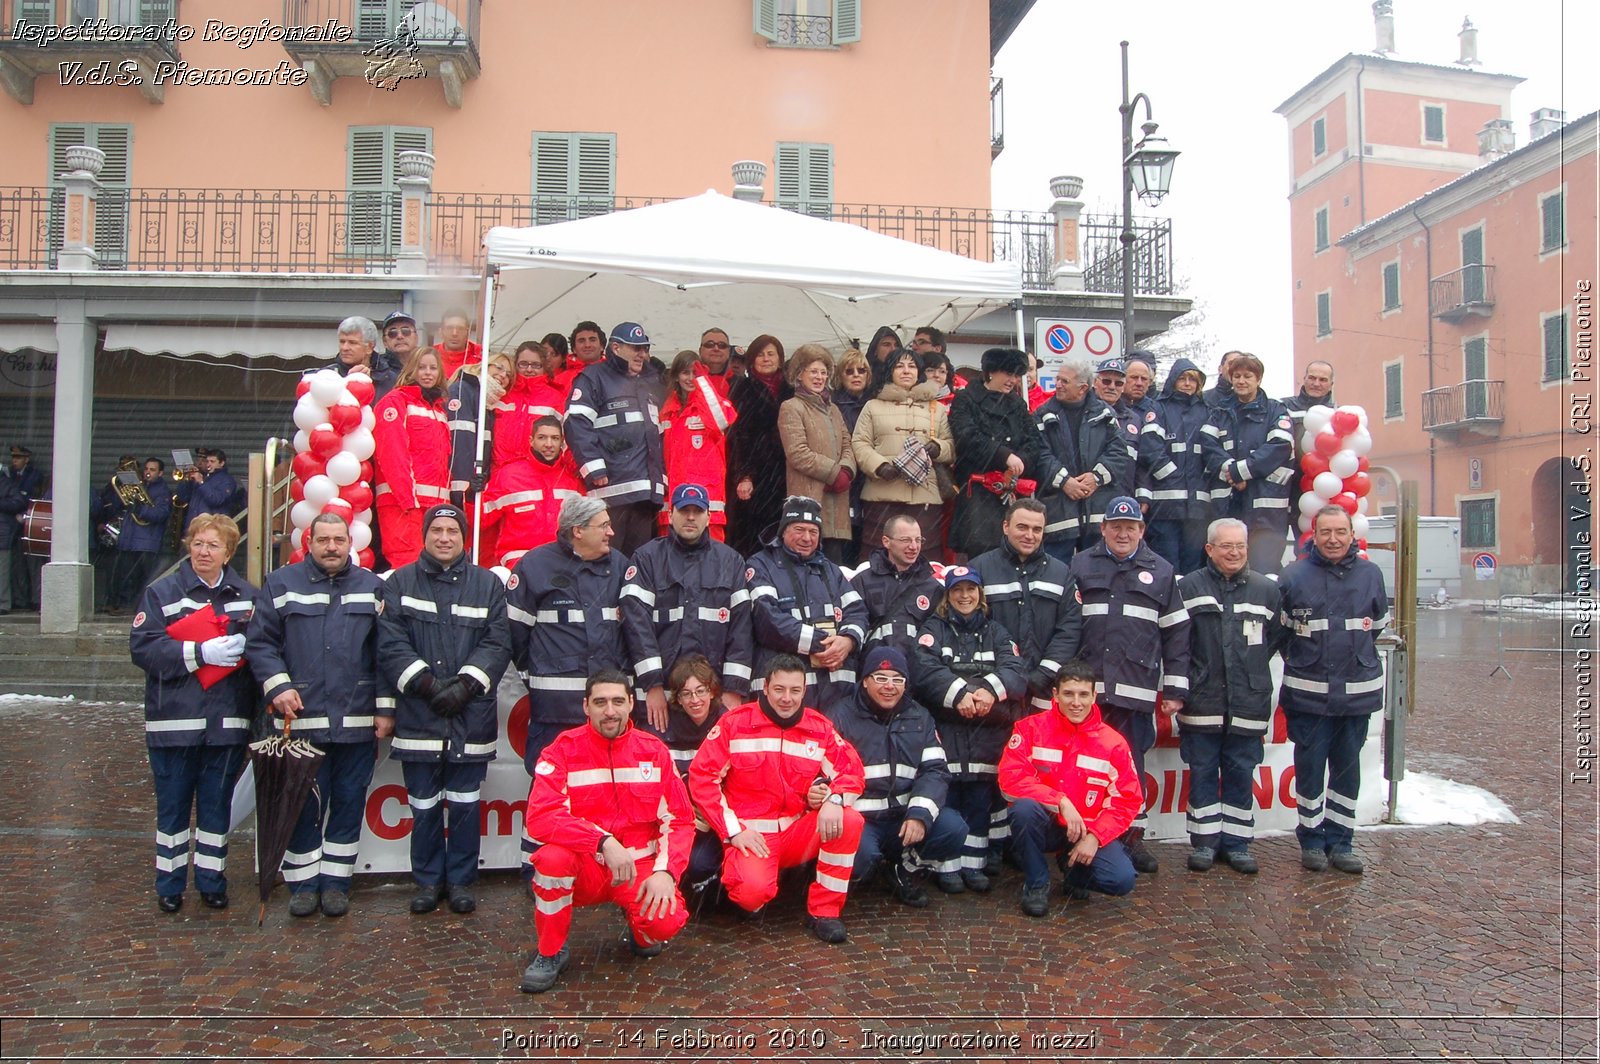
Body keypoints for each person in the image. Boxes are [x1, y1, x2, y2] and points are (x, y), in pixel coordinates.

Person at [245, 513, 391, 917]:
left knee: (347, 804)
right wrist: (277, 684)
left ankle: (336, 883)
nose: (331, 547)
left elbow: (385, 654)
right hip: (301, 720)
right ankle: (303, 884)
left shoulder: (373, 588)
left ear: (351, 543)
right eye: (323, 539)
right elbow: (260, 644)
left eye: (338, 539)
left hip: (356, 721)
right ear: (309, 542)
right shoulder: (281, 584)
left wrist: (384, 707)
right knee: (301, 806)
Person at [520, 669, 694, 994]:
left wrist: (666, 873)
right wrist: (601, 840)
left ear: (631, 703)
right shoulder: (562, 750)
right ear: (586, 707)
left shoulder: (652, 751)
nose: (610, 710)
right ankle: (550, 951)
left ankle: (641, 930)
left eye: (617, 701)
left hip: (638, 866)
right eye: (600, 702)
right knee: (550, 859)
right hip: (586, 866)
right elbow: (541, 817)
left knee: (664, 924)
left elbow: (680, 820)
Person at [377, 503, 512, 915]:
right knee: (423, 804)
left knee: (466, 804)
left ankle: (461, 882)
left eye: (452, 531)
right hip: (421, 712)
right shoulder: (398, 583)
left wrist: (467, 684)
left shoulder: (487, 584)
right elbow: (390, 642)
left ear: (463, 537)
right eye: (436, 530)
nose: (445, 538)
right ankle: (428, 881)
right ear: (424, 535)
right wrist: (428, 684)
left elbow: (498, 641)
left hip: (469, 714)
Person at [687, 654, 867, 943]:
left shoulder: (818, 728)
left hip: (796, 831)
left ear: (804, 691)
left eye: (795, 690)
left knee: (849, 819)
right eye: (779, 689)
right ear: (766, 688)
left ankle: (824, 911)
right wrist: (733, 832)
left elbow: (853, 771)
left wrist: (834, 798)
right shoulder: (735, 724)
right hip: (752, 835)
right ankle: (752, 887)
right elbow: (702, 778)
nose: (787, 698)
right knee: (750, 895)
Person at [129, 513, 257, 913]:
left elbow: (263, 652)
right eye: (198, 543)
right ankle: (169, 883)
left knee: (217, 809)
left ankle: (211, 880)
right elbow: (143, 649)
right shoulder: (162, 592)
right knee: (172, 808)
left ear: (228, 552)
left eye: (213, 545)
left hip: (226, 724)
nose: (204, 552)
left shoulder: (249, 596)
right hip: (174, 722)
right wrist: (198, 653)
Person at [1069, 496, 1191, 875]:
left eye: (1131, 527)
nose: (1123, 533)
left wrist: (1174, 689)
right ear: (1103, 528)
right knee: (1082, 765)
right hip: (1087, 693)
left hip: (1134, 691)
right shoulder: (1079, 565)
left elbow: (1177, 632)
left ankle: (1130, 838)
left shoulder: (1163, 570)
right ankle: (1078, 835)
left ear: (1142, 530)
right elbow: (1067, 625)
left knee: (1129, 769)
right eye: (1116, 526)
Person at [1279, 505, 1388, 875]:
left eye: (1340, 531)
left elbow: (1377, 626)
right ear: (1314, 533)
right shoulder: (1293, 576)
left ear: (1351, 533)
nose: (1333, 539)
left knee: (1347, 771)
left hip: (1357, 695)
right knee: (1309, 771)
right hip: (1308, 697)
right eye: (1325, 532)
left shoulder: (1371, 574)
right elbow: (1281, 633)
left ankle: (1342, 842)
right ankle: (1311, 840)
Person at [1176, 517, 1287, 875]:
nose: (1235, 552)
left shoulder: (1266, 590)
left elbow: (1274, 638)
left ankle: (1238, 844)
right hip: (1202, 700)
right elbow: (1179, 643)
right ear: (1209, 549)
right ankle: (1205, 843)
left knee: (1241, 771)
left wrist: (1249, 671)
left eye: (1240, 545)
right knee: (1204, 771)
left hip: (1248, 701)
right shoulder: (1188, 588)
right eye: (1226, 546)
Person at [912, 565, 1028, 893]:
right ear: (947, 596)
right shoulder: (933, 629)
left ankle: (974, 864)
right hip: (947, 733)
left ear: (980, 594)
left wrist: (989, 691)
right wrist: (960, 693)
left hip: (985, 736)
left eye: (971, 590)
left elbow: (1016, 670)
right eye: (958, 590)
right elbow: (924, 670)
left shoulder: (997, 632)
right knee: (947, 798)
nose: (965, 596)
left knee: (978, 799)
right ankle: (947, 866)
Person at [827, 647, 966, 908]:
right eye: (880, 678)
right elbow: (825, 772)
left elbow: (935, 769)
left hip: (903, 817)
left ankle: (903, 871)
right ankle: (866, 870)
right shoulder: (840, 716)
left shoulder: (920, 716)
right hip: (860, 819)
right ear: (865, 681)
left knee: (953, 827)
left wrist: (919, 815)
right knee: (861, 860)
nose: (889, 686)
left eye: (897, 679)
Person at [1000, 662, 1140, 917]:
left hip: (1087, 830)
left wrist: (1095, 838)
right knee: (1023, 809)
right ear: (1055, 695)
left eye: (1083, 694)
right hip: (1047, 823)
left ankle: (1074, 871)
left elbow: (1127, 801)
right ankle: (1036, 883)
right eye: (1068, 694)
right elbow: (1011, 779)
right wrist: (1060, 801)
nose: (1076, 702)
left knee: (1121, 880)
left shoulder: (1113, 743)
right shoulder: (1029, 728)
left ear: (1094, 696)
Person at [506, 496, 629, 779]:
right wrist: (537, 674)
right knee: (549, 790)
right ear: (578, 531)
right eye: (604, 526)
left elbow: (633, 631)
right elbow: (513, 634)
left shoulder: (620, 566)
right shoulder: (534, 566)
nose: (611, 532)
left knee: (601, 789)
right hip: (554, 712)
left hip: (605, 713)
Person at [622, 482, 754, 732]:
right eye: (684, 511)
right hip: (661, 697)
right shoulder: (647, 559)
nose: (690, 517)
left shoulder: (731, 561)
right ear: (670, 515)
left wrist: (734, 689)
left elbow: (742, 629)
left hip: (714, 697)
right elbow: (636, 625)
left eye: (697, 511)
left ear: (709, 517)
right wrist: (653, 686)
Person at [746, 496, 868, 715]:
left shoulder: (831, 570)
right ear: (783, 531)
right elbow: (766, 619)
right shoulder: (761, 565)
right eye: (799, 529)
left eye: (813, 531)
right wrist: (820, 643)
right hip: (785, 695)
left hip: (837, 695)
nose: (807, 538)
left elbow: (857, 611)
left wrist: (848, 641)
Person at [969, 498, 1082, 713]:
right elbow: (970, 628)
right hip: (992, 689)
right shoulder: (979, 568)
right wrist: (1001, 679)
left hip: (1043, 690)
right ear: (1005, 526)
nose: (1030, 536)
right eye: (1022, 527)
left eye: (1037, 529)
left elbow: (1069, 630)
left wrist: (1043, 674)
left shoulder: (1060, 573)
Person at [565, 321, 667, 557]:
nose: (642, 353)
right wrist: (593, 467)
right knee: (608, 559)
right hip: (611, 491)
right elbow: (576, 422)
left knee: (638, 561)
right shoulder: (594, 377)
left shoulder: (652, 381)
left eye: (644, 348)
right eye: (635, 348)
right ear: (615, 348)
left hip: (646, 493)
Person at [1200, 352, 1295, 576]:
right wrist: (1231, 473)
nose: (1241, 381)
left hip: (1266, 514)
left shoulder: (1276, 411)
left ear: (1259, 379)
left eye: (1248, 376)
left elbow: (1279, 447)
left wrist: (1239, 472)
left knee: (1265, 572)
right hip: (1229, 507)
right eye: (1237, 376)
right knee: (1228, 571)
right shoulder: (1220, 412)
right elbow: (1208, 446)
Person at [851, 347, 954, 548]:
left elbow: (951, 445)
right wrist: (879, 466)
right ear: (890, 371)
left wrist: (938, 448)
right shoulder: (872, 406)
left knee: (924, 555)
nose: (906, 371)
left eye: (912, 366)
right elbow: (859, 442)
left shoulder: (937, 408)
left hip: (925, 496)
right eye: (899, 366)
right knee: (879, 553)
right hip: (881, 495)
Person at [1033, 357, 1132, 562]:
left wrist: (1096, 478)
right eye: (1057, 379)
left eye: (1064, 381)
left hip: (1097, 513)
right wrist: (1065, 481)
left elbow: (1120, 452)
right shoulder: (1042, 415)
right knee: (1056, 574)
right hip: (1059, 514)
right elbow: (1039, 455)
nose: (1058, 385)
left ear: (1083, 388)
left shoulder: (1105, 414)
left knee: (1097, 576)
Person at [949, 347, 1040, 559]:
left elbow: (1034, 442)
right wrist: (1003, 455)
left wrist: (1020, 462)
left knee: (1014, 550)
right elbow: (966, 437)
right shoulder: (967, 399)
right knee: (982, 551)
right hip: (979, 491)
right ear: (991, 372)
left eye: (1016, 375)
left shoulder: (1017, 404)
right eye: (1008, 374)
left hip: (1013, 488)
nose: (1013, 380)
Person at [660, 654, 732, 897]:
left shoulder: (729, 724)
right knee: (690, 863)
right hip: (684, 817)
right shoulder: (664, 727)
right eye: (686, 694)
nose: (695, 700)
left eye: (700, 691)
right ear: (677, 699)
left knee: (699, 864)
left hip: (722, 817)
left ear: (712, 692)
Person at [372, 348, 450, 567]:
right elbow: (391, 453)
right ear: (411, 370)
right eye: (421, 367)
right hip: (403, 504)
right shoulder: (395, 402)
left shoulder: (439, 409)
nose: (427, 373)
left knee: (432, 569)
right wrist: (407, 500)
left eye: (433, 368)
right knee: (406, 566)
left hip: (433, 505)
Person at [778, 344, 856, 563]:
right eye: (813, 371)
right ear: (799, 374)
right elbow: (797, 453)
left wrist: (847, 471)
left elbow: (848, 444)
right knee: (806, 557)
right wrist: (833, 473)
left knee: (833, 563)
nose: (819, 377)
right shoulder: (791, 407)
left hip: (837, 501)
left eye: (823, 372)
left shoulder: (834, 409)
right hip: (809, 497)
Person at [479, 415, 585, 569]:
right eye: (542, 437)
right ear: (531, 440)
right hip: (519, 561)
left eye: (554, 438)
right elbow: (482, 519)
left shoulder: (572, 478)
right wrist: (470, 496)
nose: (549, 444)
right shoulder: (509, 475)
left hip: (563, 560)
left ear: (562, 442)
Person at [1140, 359, 1214, 575]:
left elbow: (1213, 451)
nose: (1188, 383)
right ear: (1173, 380)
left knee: (1193, 567)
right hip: (1165, 507)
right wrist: (1172, 475)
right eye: (1183, 378)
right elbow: (1150, 447)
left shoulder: (1207, 410)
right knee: (1166, 565)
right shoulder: (1158, 408)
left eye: (1193, 379)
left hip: (1198, 508)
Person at [659, 350, 739, 541]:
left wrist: (703, 383)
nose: (691, 378)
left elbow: (722, 420)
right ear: (676, 376)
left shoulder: (715, 405)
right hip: (673, 501)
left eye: (695, 373)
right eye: (686, 373)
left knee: (711, 561)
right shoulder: (666, 412)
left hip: (707, 502)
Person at [724, 334, 790, 557]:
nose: (766, 359)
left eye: (771, 354)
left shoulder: (790, 391)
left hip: (785, 473)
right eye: (760, 354)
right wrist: (744, 475)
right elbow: (738, 435)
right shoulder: (743, 388)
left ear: (780, 359)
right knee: (752, 536)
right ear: (751, 360)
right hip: (755, 473)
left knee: (783, 532)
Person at [445, 353, 514, 559]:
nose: (503, 375)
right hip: (459, 488)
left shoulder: (487, 402)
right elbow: (461, 442)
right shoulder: (463, 390)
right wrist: (463, 489)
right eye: (499, 367)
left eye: (509, 374)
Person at [849, 513, 943, 662]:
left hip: (917, 673)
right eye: (905, 540)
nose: (913, 547)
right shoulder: (863, 582)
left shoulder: (933, 588)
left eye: (918, 540)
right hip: (873, 671)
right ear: (886, 542)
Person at [104, 457, 174, 613]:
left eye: (152, 470)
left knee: (139, 578)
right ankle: (122, 604)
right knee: (125, 575)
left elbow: (160, 514)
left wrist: (140, 509)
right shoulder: (139, 486)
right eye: (146, 469)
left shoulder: (162, 491)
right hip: (129, 540)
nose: (148, 472)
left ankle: (133, 607)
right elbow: (118, 507)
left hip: (147, 542)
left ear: (161, 473)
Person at [1282, 360, 1337, 525]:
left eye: (1323, 380)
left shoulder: (1338, 414)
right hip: (1285, 487)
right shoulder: (1283, 407)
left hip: (1320, 490)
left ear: (1331, 384)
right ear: (1304, 379)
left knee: (1309, 545)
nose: (1316, 383)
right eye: (1312, 378)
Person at [175, 449, 241, 535]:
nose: (208, 464)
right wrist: (186, 481)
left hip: (211, 530)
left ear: (221, 463)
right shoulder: (203, 477)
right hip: (192, 529)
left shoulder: (227, 480)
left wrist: (201, 483)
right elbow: (183, 497)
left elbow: (216, 500)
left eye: (212, 461)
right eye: (207, 461)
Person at [334, 315, 401, 400]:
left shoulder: (392, 380)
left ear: (369, 347)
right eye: (342, 342)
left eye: (352, 342)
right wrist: (347, 382)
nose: (345, 348)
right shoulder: (327, 376)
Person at [379, 310, 424, 394]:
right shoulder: (377, 367)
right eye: (392, 333)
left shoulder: (427, 365)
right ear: (384, 341)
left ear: (416, 337)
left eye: (406, 331)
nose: (400, 336)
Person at [432, 306, 482, 380]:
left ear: (468, 332)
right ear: (441, 332)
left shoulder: (481, 358)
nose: (454, 333)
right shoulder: (429, 356)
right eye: (449, 328)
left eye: (460, 328)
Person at [863, 325, 903, 398]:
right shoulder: (865, 377)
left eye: (896, 345)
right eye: (886, 345)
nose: (893, 349)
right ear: (875, 350)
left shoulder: (907, 375)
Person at [694, 326, 735, 396]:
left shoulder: (742, 385)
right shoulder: (687, 381)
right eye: (710, 345)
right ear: (700, 351)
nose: (716, 349)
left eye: (722, 345)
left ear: (728, 352)